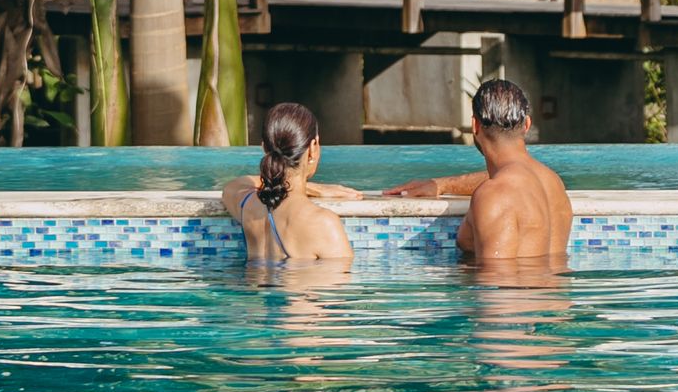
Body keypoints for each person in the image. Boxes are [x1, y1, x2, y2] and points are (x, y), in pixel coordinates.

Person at [386, 75, 573, 267]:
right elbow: (511, 180)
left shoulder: (494, 194)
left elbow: (497, 283)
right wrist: (441, 185)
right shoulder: (552, 182)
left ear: (475, 125)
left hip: (517, 296)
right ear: (526, 124)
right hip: (556, 295)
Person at [221, 100, 356, 264]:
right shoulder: (323, 223)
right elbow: (340, 285)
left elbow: (234, 185)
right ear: (313, 148)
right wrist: (313, 188)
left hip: (255, 287)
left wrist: (310, 188)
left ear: (264, 148)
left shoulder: (248, 206)